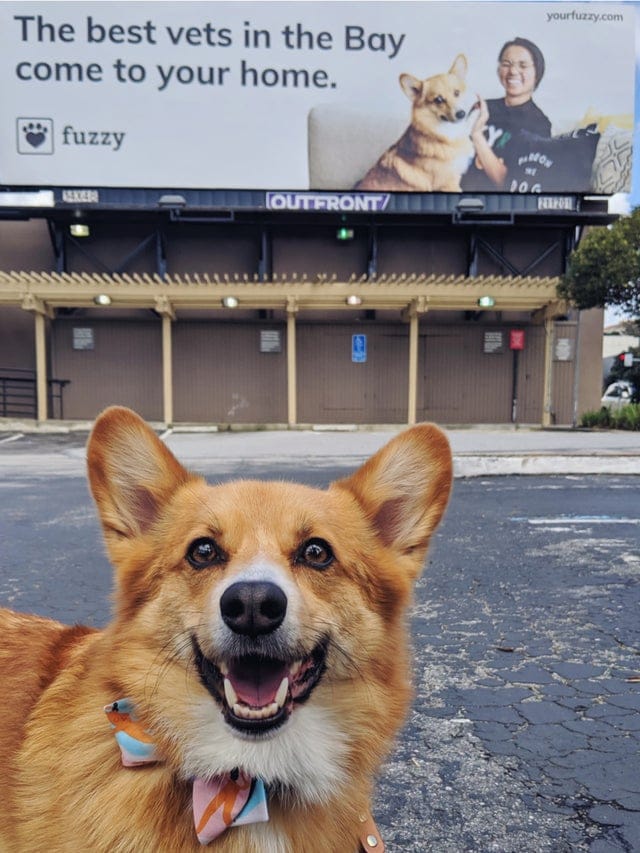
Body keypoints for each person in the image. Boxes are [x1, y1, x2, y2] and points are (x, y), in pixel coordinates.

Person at [461, 37, 551, 191]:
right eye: (506, 64)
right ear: (498, 70)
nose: (513, 71)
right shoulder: (483, 107)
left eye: (522, 65)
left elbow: (509, 184)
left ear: (537, 72)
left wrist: (477, 137)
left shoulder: (539, 125)